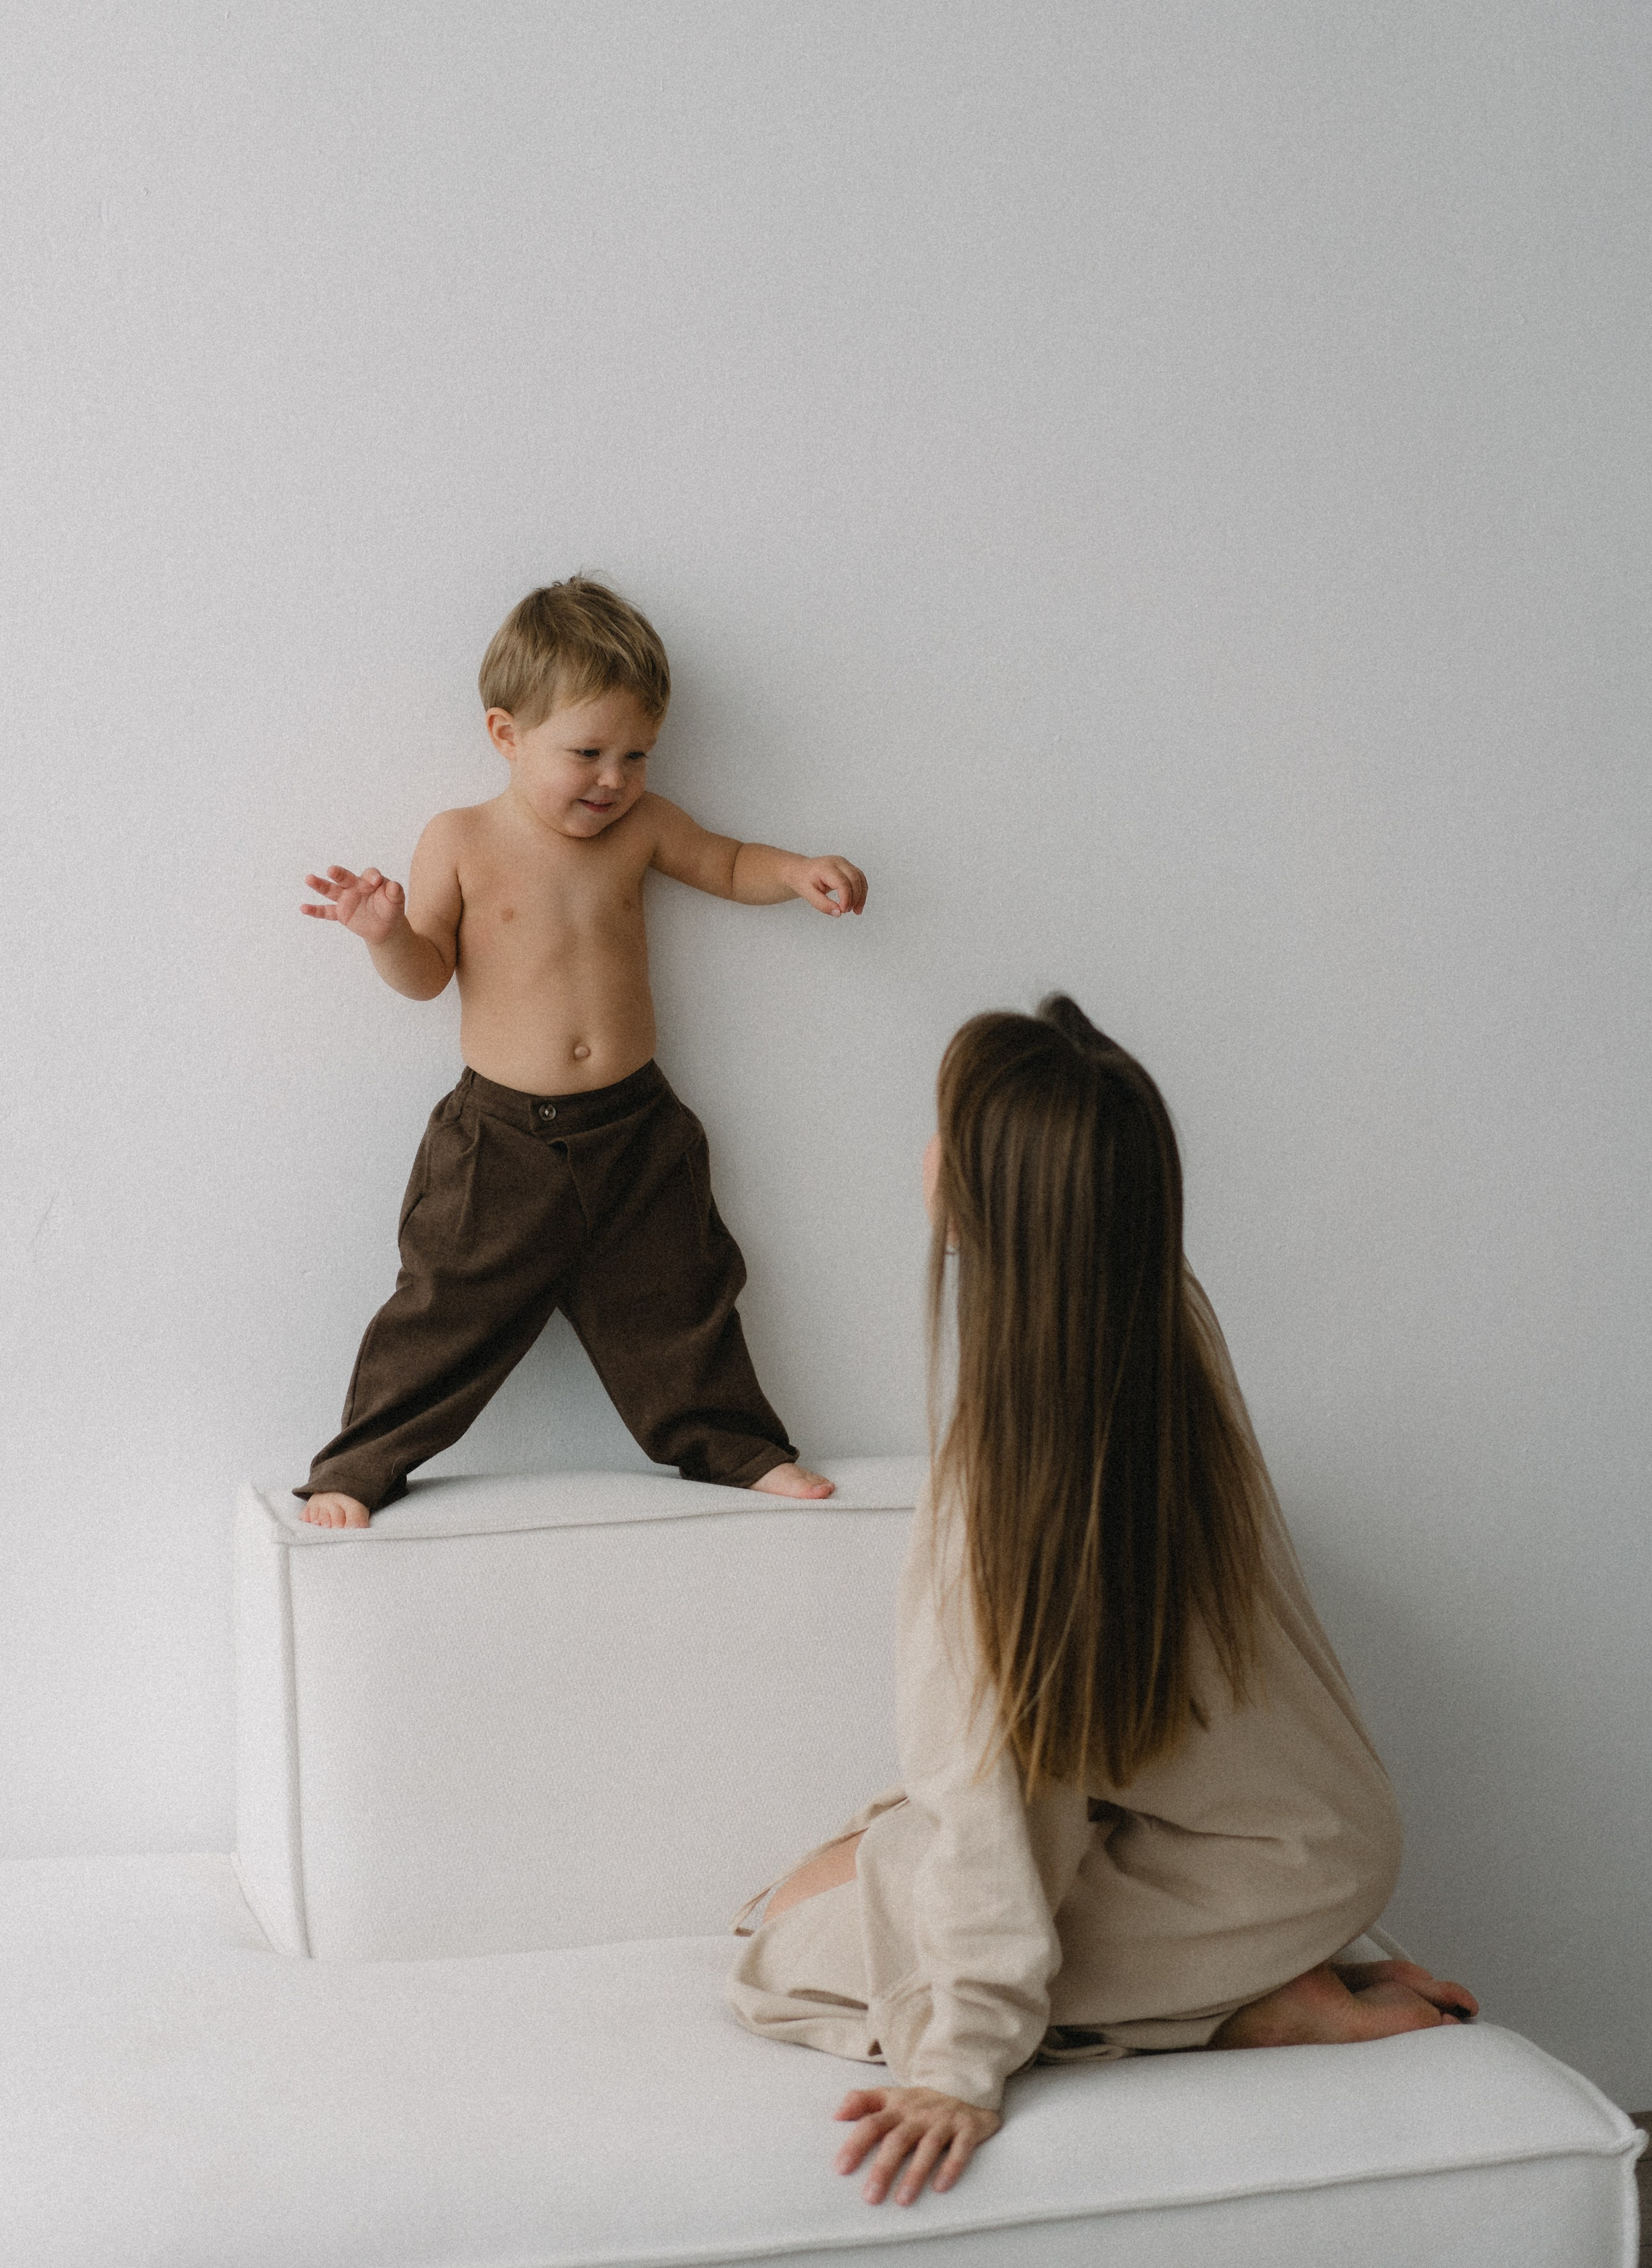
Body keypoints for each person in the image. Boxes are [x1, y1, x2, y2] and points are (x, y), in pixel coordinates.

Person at [727, 996, 1476, 2207]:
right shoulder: (1161, 1324)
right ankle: (1236, 1984)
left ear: (983, 1203)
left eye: (938, 1132)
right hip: (1307, 1844)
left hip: (1240, 1871)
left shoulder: (1006, 1489)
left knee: (779, 1954)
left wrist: (962, 2063)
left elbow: (993, 1776)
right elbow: (1062, 1747)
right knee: (837, 1870)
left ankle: (1252, 2013)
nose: (920, 1154)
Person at [293, 576, 866, 1525]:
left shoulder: (642, 827)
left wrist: (796, 872)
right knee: (443, 1311)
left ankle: (738, 1446)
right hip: (501, 1139)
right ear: (505, 735)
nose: (614, 778)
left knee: (681, 1299)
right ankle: (360, 1464)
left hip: (634, 1125)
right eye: (587, 752)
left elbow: (724, 862)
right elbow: (428, 974)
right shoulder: (463, 837)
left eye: (636, 754)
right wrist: (385, 932)